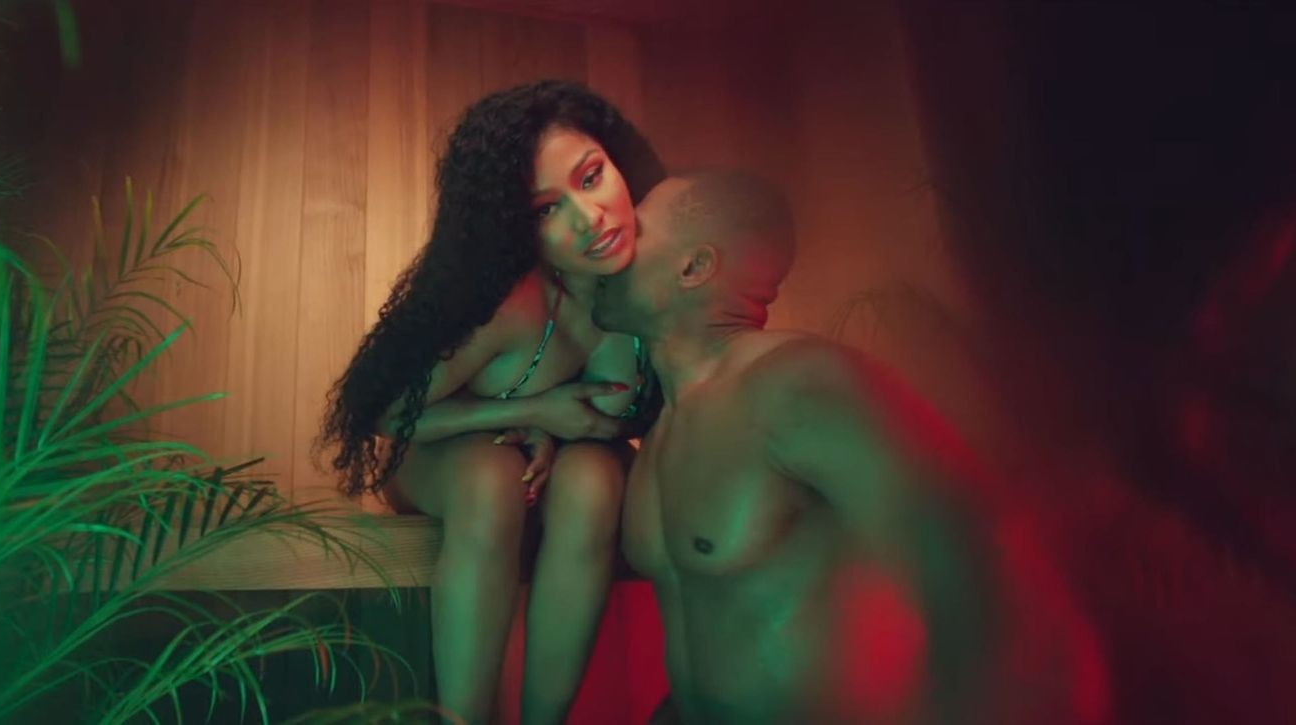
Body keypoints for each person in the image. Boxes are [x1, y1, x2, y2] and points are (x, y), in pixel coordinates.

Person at [593, 170, 1089, 723]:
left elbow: (992, 591)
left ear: (694, 267)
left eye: (637, 230)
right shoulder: (664, 431)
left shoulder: (797, 384)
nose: (607, 247)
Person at [317, 80, 666, 724]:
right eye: (546, 209)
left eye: (591, 178)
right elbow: (385, 413)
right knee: (490, 475)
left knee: (595, 479)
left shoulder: (666, 279)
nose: (589, 218)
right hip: (443, 451)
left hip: (561, 471)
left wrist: (562, 432)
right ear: (515, 227)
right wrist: (531, 411)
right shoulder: (514, 306)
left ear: (619, 164)